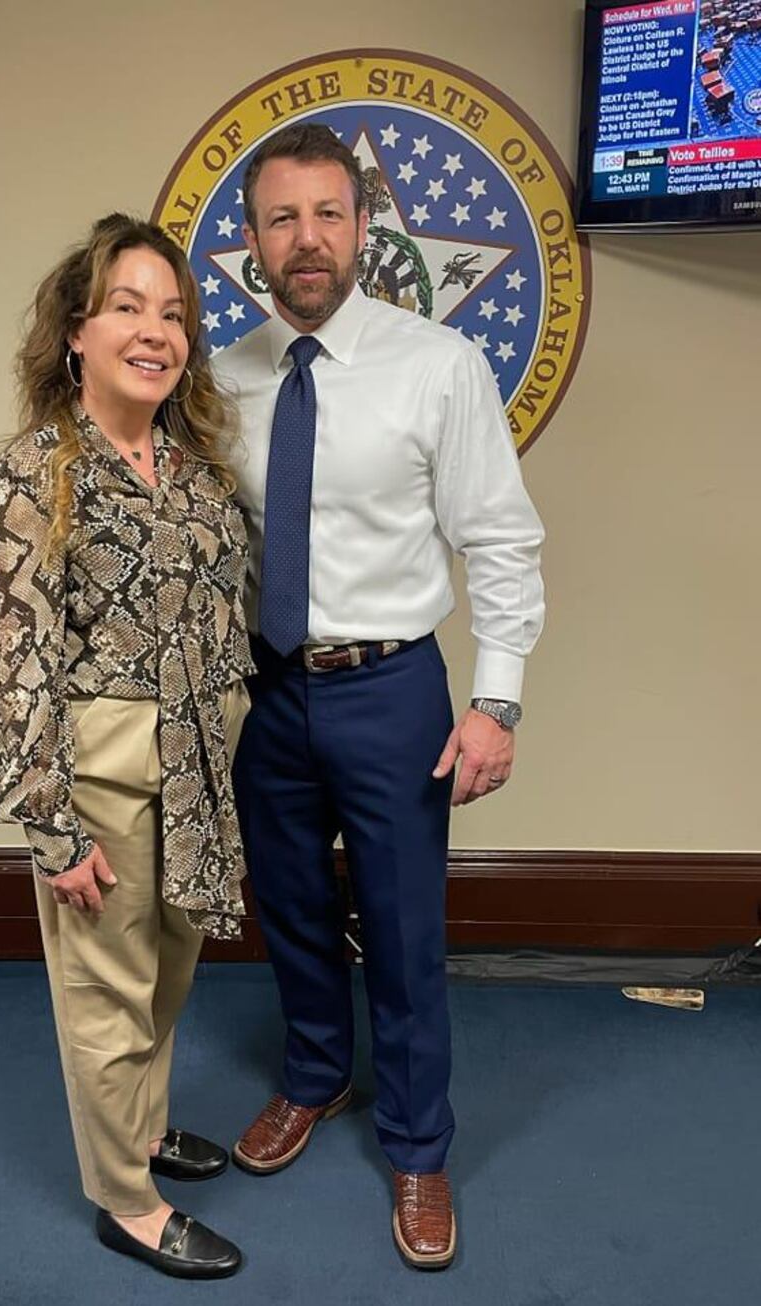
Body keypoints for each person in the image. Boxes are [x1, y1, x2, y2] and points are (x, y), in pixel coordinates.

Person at [214, 124, 545, 1270]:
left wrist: (494, 703)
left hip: (392, 688)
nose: (305, 241)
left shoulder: (435, 365)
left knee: (404, 933)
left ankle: (415, 1144)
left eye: (326, 215)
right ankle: (313, 1077)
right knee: (293, 908)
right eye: (280, 219)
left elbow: (499, 543)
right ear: (251, 240)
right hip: (269, 694)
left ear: (362, 228)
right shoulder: (224, 378)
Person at [0, 213, 253, 1280]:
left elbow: (224, 616)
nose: (156, 330)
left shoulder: (193, 471)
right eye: (127, 307)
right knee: (103, 989)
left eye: (172, 312)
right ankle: (124, 1201)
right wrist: (49, 828)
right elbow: (15, 660)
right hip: (98, 773)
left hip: (196, 757)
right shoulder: (32, 470)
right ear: (77, 334)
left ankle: (137, 1128)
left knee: (165, 975)